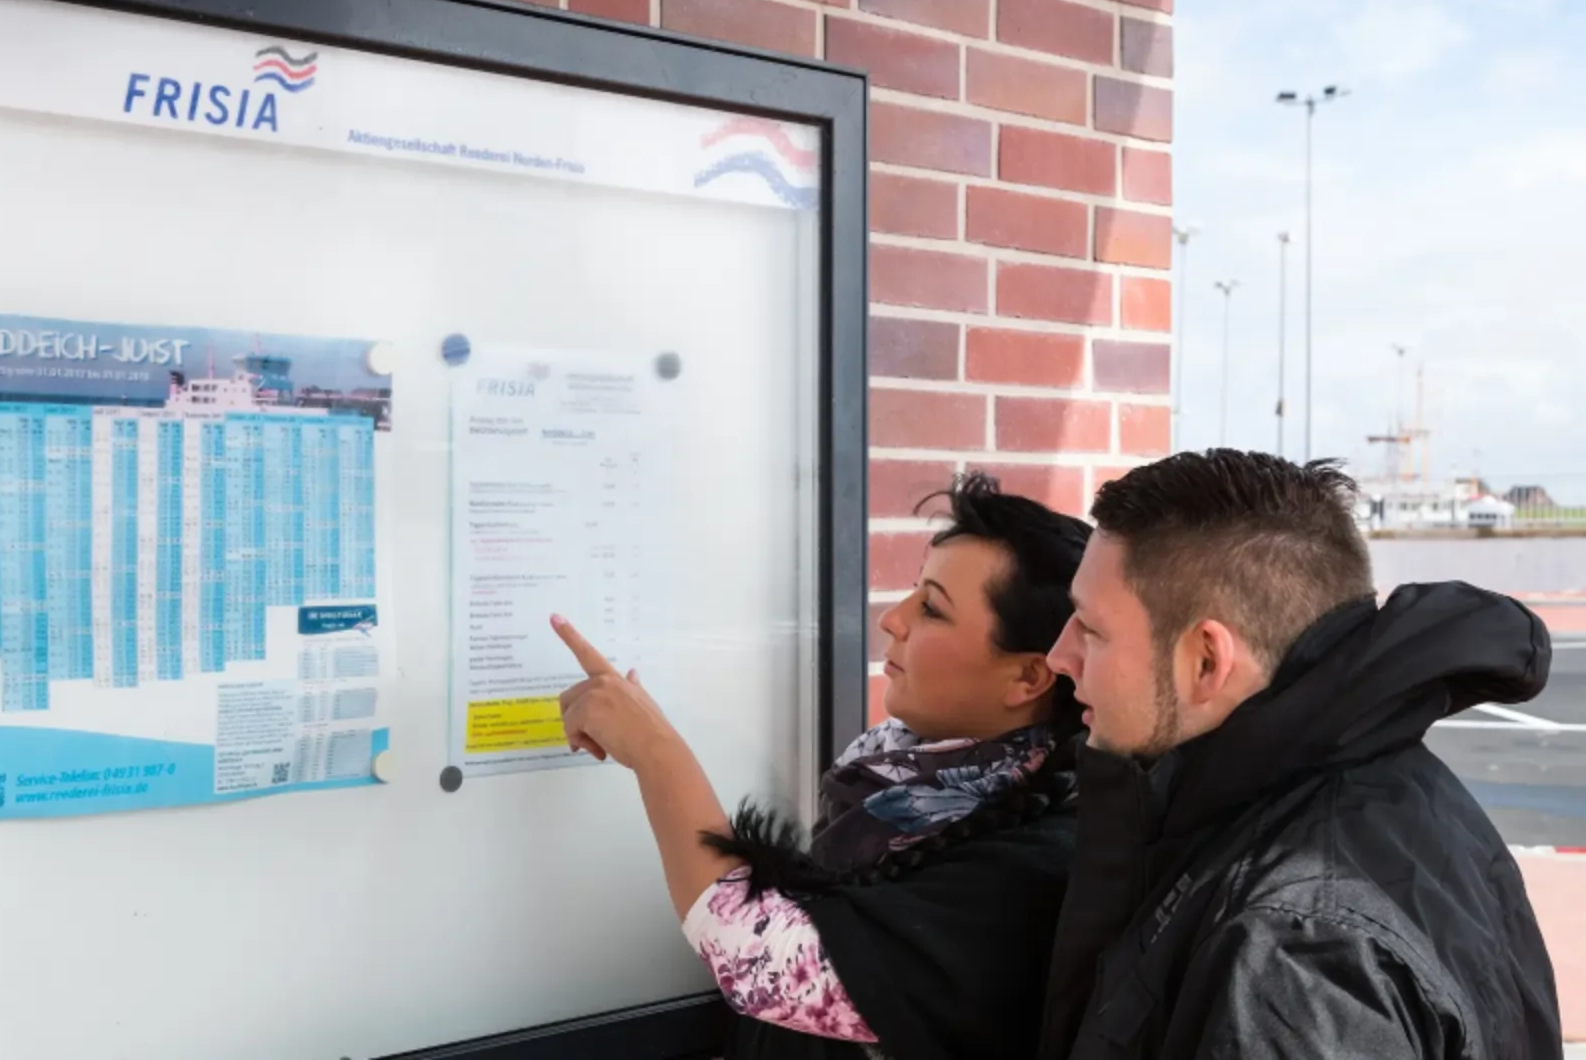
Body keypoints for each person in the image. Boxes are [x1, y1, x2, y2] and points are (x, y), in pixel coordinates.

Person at [1039, 449, 1561, 1060]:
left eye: (1091, 629)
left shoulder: (1296, 951)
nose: (1058, 656)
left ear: (1206, 660)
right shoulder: (1399, 783)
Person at [553, 473, 1092, 1059]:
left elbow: (764, 961)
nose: (894, 619)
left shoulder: (1038, 863)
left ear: (1029, 677)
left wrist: (655, 752)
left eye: (932, 609)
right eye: (914, 592)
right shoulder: (898, 786)